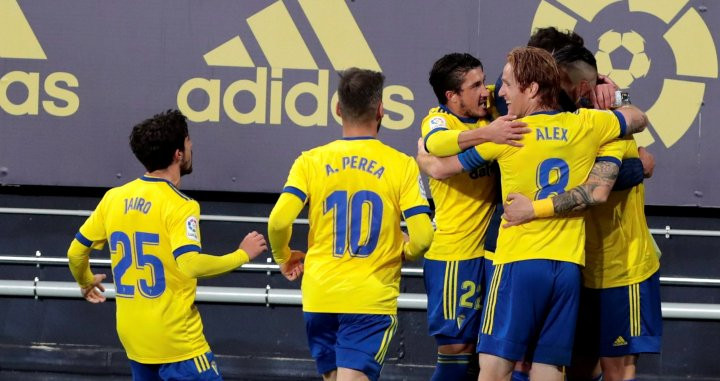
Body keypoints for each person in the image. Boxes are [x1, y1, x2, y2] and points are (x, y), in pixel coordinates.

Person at [417, 46, 647, 381]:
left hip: (518, 263)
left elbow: (441, 163)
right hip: (568, 268)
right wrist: (606, 87)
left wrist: (424, 155)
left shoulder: (509, 133)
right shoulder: (588, 124)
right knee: (547, 368)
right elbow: (638, 118)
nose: (501, 92)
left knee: (494, 368)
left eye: (507, 83)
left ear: (532, 89)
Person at [67, 110, 267, 381]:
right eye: (188, 142)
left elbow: (76, 252)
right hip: (177, 343)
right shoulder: (180, 205)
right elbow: (190, 263)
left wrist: (85, 280)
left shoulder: (114, 198)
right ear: (178, 154)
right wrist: (242, 254)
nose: (192, 146)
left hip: (134, 340)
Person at [503, 46, 662, 381]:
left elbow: (606, 180)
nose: (555, 92)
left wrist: (615, 88)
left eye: (562, 84)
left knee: (618, 368)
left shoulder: (604, 124)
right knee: (571, 365)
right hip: (576, 267)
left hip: (621, 268)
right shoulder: (569, 124)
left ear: (583, 89)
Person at [267, 68, 434, 381]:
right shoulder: (401, 165)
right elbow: (424, 236)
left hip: (319, 296)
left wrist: (283, 256)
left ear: (337, 109)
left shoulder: (310, 161)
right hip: (368, 299)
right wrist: (404, 250)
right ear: (381, 109)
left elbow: (277, 221)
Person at [418, 53, 529, 381]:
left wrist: (617, 92)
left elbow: (566, 96)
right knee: (457, 351)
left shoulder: (494, 102)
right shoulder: (438, 120)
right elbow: (436, 143)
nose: (486, 90)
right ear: (452, 96)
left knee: (505, 351)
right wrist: (488, 135)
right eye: (475, 85)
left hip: (497, 252)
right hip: (455, 254)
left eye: (485, 81)